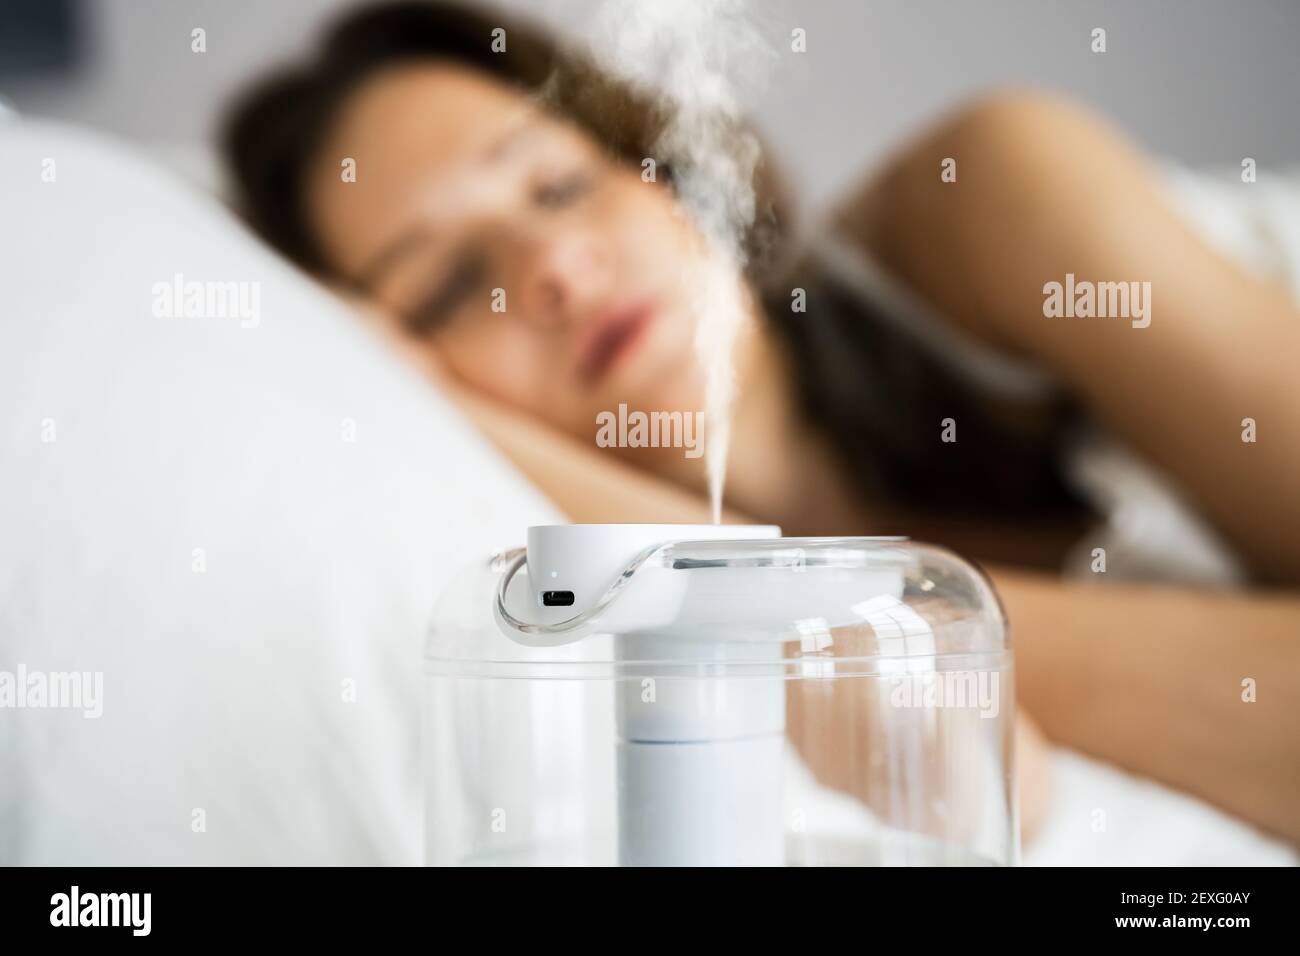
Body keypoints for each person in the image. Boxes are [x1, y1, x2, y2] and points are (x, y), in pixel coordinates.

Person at [223, 1, 1300, 843]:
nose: (550, 268)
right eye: (452, 285)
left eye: (556, 186)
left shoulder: (990, 191)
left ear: (669, 172)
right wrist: (459, 423)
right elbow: (981, 765)